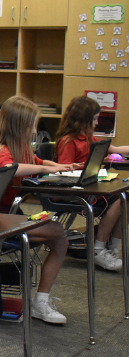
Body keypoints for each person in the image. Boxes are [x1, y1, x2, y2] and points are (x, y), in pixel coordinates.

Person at [0, 96, 74, 324]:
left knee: (61, 240)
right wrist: (44, 167)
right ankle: (39, 303)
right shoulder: (1, 150)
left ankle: (40, 302)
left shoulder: (19, 148)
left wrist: (60, 167)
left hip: (9, 213)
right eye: (32, 124)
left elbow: (36, 159)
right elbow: (9, 168)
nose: (35, 130)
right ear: (18, 125)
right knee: (57, 229)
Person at [56, 95, 129, 271]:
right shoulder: (69, 141)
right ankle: (98, 249)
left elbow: (116, 150)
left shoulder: (89, 138)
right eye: (94, 119)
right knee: (119, 200)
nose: (97, 123)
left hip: (91, 186)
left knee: (126, 199)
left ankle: (112, 249)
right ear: (83, 120)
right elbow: (64, 170)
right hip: (76, 191)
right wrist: (87, 166)